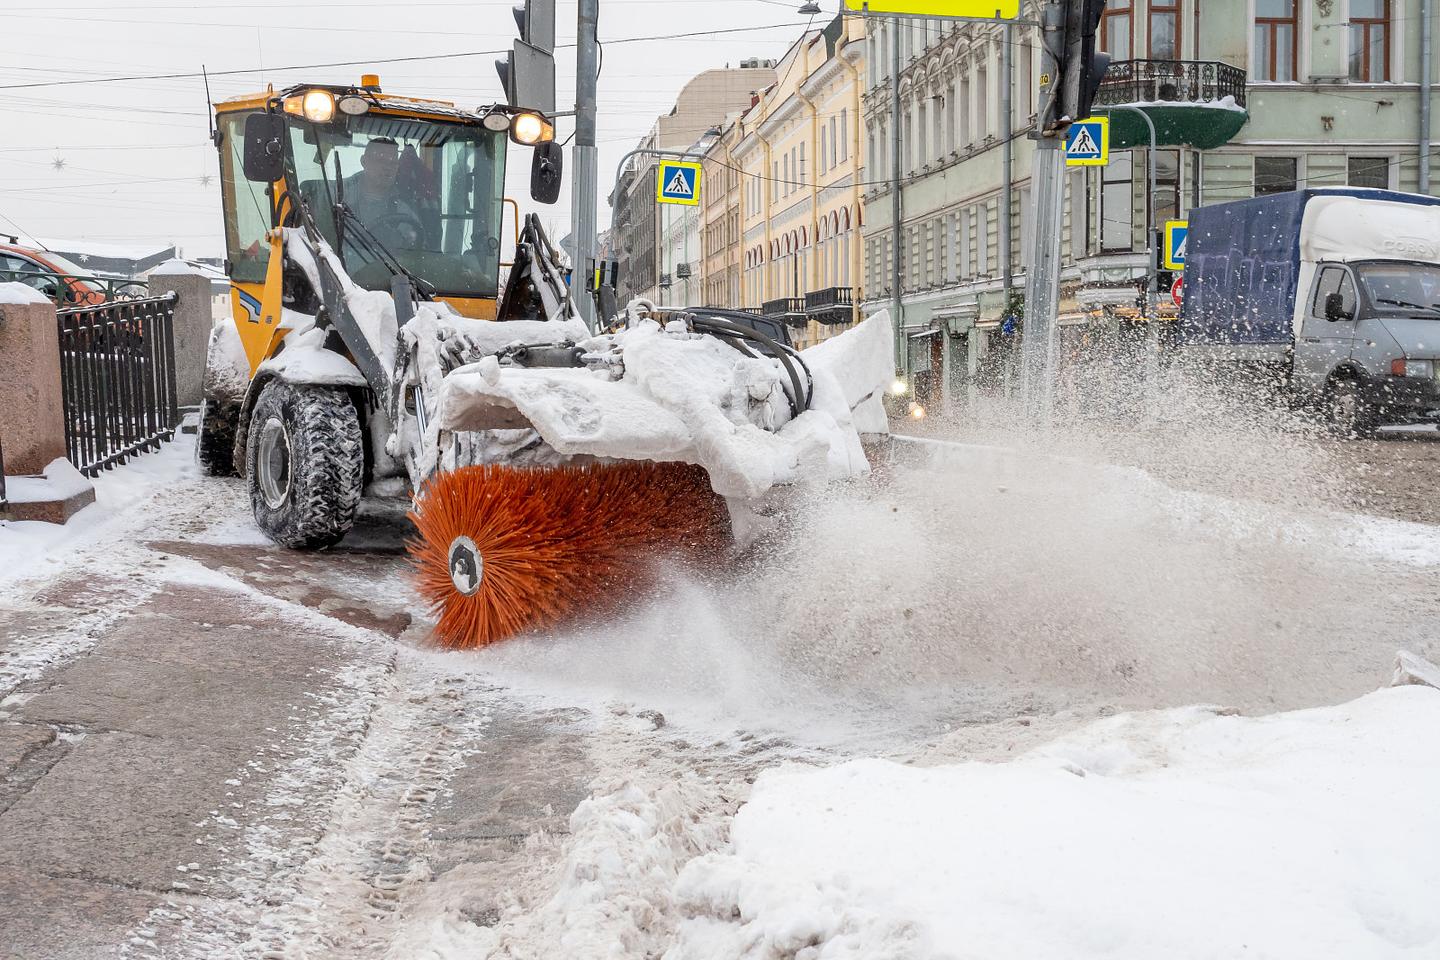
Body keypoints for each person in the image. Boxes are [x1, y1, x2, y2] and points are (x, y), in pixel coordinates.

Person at [343, 137, 422, 251]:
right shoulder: (338, 196)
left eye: (393, 162)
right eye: (381, 160)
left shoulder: (404, 211)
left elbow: (416, 254)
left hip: (389, 268)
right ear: (364, 161)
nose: (388, 167)